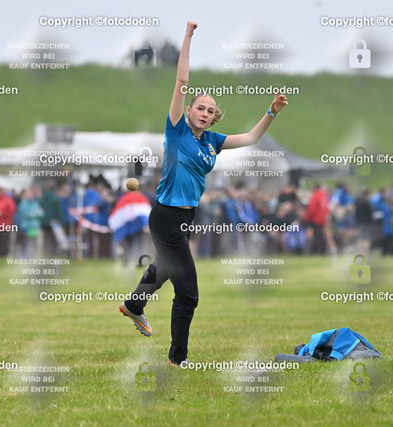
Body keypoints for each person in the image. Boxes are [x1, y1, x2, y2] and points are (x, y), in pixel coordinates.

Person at [120, 21, 288, 367]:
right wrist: (187, 37)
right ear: (190, 111)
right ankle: (177, 358)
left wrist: (271, 112)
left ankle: (134, 305)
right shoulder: (177, 130)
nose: (205, 113)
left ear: (213, 119)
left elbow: (251, 138)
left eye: (210, 111)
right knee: (189, 293)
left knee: (165, 268)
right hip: (166, 216)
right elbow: (181, 82)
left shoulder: (212, 141)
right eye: (201, 107)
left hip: (187, 217)